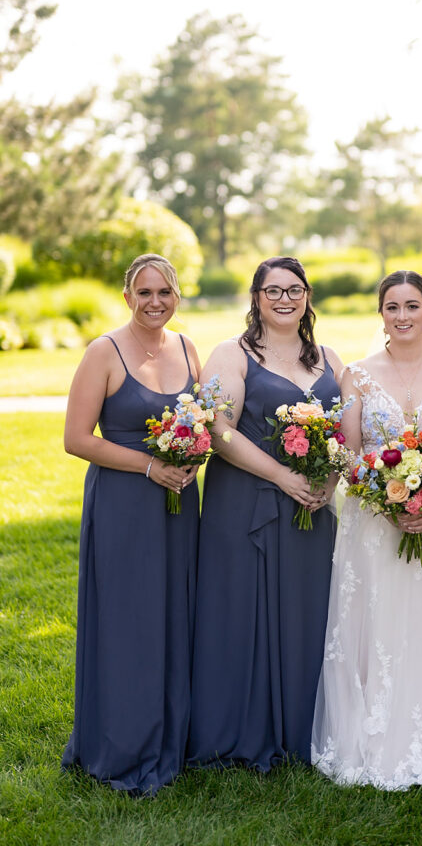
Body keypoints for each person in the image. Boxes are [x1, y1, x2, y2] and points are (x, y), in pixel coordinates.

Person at [312, 271, 422, 789]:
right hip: (375, 517)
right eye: (392, 307)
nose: (403, 316)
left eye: (413, 306)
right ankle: (374, 726)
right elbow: (348, 451)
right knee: (380, 618)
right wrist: (387, 501)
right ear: (381, 313)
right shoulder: (358, 375)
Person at [187, 257, 343, 772]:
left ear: (307, 294)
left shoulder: (328, 357)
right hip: (245, 503)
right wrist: (281, 476)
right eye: (272, 290)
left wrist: (329, 478)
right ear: (255, 297)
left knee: (307, 610)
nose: (283, 299)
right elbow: (219, 430)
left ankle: (304, 729)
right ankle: (242, 730)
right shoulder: (231, 354)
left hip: (311, 506)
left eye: (293, 289)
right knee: (243, 610)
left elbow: (347, 432)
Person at [62, 253, 202, 794]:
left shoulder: (189, 348)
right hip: (123, 503)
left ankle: (173, 734)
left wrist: (193, 456)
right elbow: (76, 439)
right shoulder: (104, 351)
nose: (155, 302)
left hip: (179, 504)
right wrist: (149, 465)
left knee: (174, 614)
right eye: (144, 293)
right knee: (128, 621)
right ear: (127, 298)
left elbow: (206, 421)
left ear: (177, 296)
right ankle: (121, 742)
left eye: (164, 291)